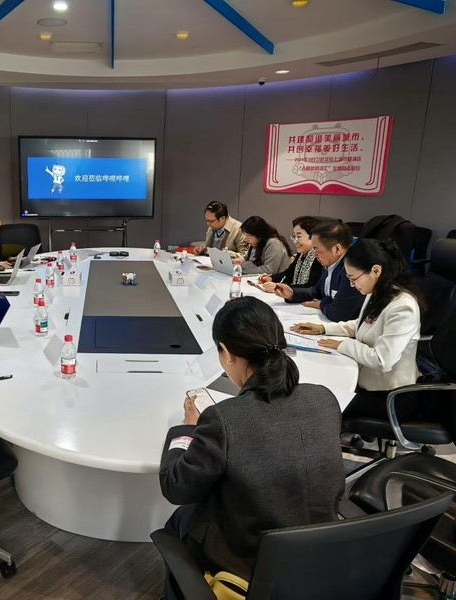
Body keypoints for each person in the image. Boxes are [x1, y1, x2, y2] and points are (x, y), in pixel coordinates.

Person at [159, 297, 344, 599]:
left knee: (181, 518)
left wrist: (187, 431)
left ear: (227, 353)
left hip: (250, 570)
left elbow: (175, 487)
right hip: (323, 556)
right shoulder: (324, 398)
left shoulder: (224, 419)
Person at [291, 238, 422, 445]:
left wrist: (343, 344)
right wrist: (324, 328)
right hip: (368, 382)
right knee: (315, 389)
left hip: (389, 396)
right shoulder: (378, 292)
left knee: (317, 404)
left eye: (353, 279)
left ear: (376, 271)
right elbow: (361, 324)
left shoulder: (403, 307)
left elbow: (382, 360)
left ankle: (316, 454)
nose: (352, 285)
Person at [273, 219, 363, 322]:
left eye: (316, 249)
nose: (314, 254)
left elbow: (339, 314)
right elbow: (318, 291)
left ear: (336, 249)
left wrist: (321, 303)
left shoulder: (352, 270)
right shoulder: (330, 263)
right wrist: (292, 294)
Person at [258, 215, 323, 291]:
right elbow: (288, 274)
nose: (295, 241)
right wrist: (271, 278)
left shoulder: (319, 257)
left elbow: (311, 286)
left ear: (313, 237)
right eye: (294, 236)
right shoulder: (301, 254)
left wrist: (278, 287)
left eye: (299, 236)